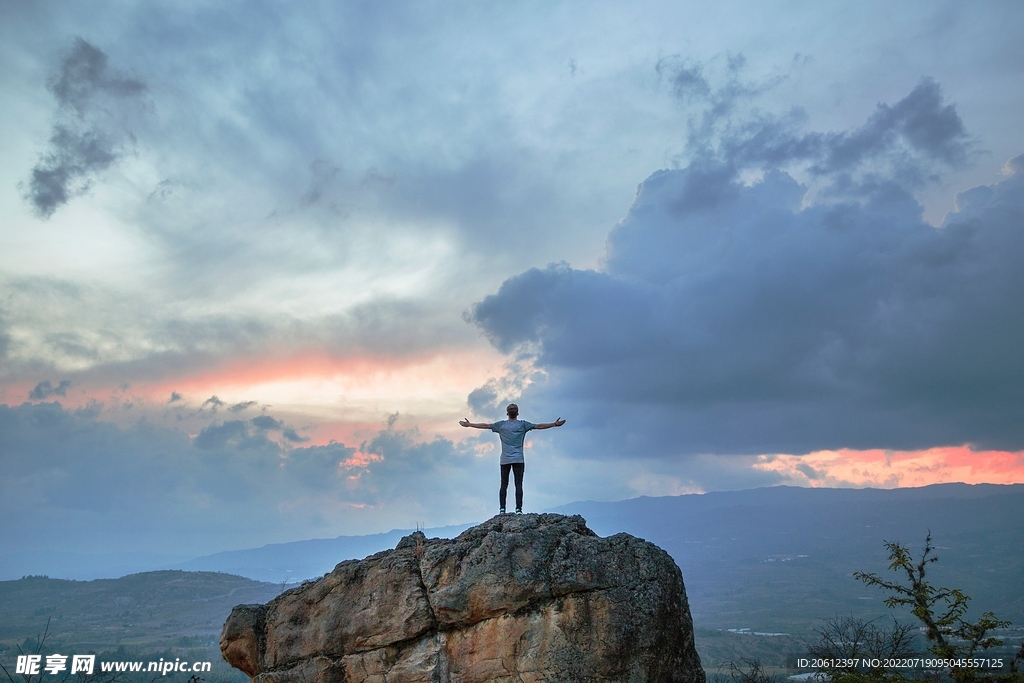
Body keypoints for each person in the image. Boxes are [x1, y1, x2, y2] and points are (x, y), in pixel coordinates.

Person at [460, 403, 565, 515]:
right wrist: (554, 424)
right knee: (518, 484)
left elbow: (485, 425)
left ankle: (502, 509)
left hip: (505, 460)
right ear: (518, 413)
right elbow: (539, 426)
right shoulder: (523, 425)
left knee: (503, 484)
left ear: (507, 413)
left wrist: (470, 424)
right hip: (519, 459)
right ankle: (518, 509)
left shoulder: (501, 425)